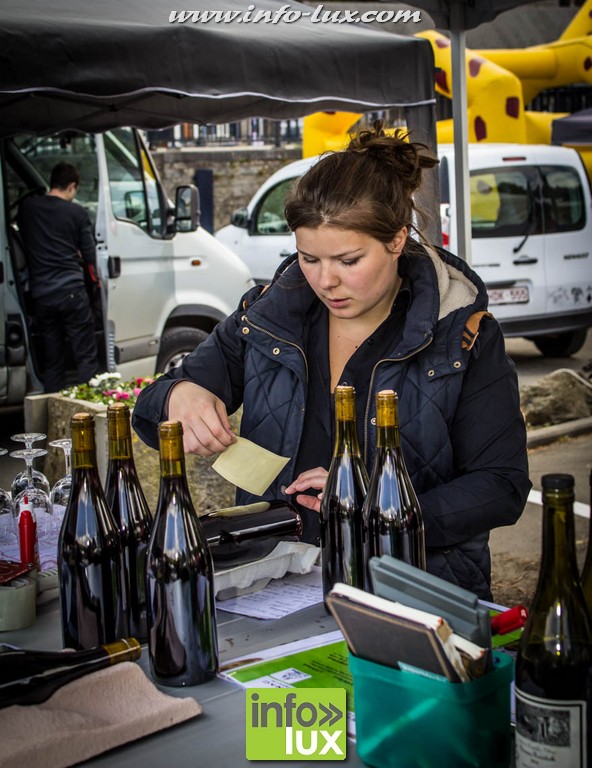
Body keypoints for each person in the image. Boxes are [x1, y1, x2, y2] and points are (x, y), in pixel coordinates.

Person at [133, 122, 531, 600]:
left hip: (416, 587)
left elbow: (502, 485)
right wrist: (179, 396)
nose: (326, 282)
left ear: (397, 240)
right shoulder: (267, 317)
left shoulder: (462, 335)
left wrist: (374, 508)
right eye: (309, 258)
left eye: (348, 261)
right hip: (275, 586)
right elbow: (149, 409)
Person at [17, 162, 100, 393]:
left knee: (53, 360)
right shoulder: (76, 212)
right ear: (72, 186)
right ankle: (87, 404)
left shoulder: (28, 208)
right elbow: (90, 257)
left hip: (42, 295)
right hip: (71, 292)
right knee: (85, 356)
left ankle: (52, 403)